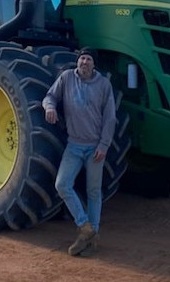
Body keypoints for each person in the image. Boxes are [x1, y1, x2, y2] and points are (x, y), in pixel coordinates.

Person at [42, 47, 117, 257]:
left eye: (88, 59)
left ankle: (90, 239)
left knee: (94, 192)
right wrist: (49, 107)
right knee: (62, 184)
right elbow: (50, 96)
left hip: (95, 147)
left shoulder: (103, 85)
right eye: (82, 58)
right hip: (74, 145)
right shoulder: (66, 78)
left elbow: (110, 118)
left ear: (94, 64)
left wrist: (103, 145)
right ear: (78, 61)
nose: (84, 62)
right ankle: (86, 227)